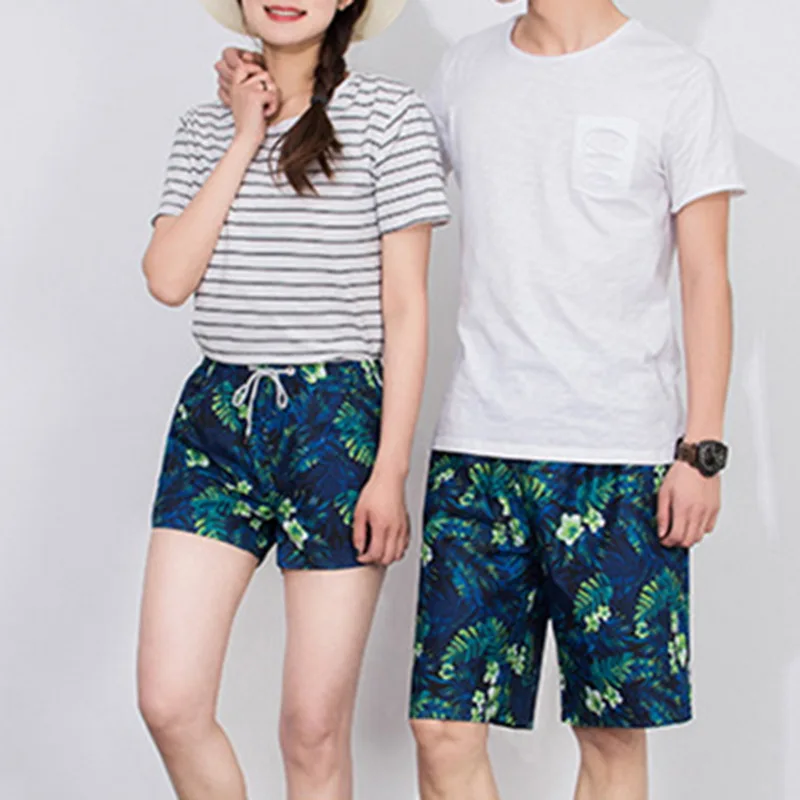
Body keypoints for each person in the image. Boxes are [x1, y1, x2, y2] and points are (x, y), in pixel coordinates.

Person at [217, 0, 745, 797]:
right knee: (443, 729)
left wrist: (701, 451)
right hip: (476, 451)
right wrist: (262, 91)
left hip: (623, 458)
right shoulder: (464, 71)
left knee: (609, 735)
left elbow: (707, 277)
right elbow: (359, 162)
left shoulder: (676, 79)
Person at [137, 1, 450, 799]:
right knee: (170, 703)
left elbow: (407, 309)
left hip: (336, 419)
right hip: (218, 416)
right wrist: (246, 132)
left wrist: (389, 469)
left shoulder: (389, 116)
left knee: (311, 728)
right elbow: (168, 278)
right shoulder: (204, 128)